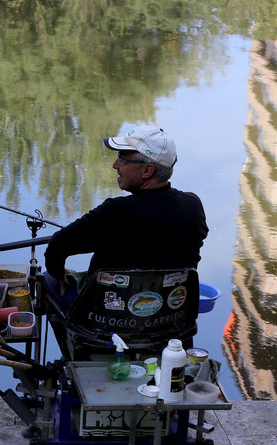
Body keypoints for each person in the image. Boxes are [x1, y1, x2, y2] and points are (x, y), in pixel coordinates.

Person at [43, 124, 208, 310]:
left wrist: (59, 276)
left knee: (48, 279)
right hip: (169, 314)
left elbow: (57, 246)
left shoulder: (115, 212)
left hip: (106, 317)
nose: (115, 165)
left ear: (147, 171)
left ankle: (70, 338)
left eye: (122, 159)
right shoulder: (193, 206)